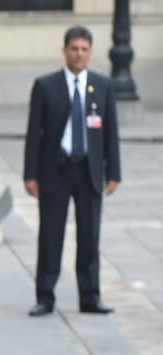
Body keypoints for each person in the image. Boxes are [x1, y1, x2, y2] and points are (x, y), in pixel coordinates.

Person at [24, 25, 121, 317]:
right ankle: (45, 296)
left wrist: (113, 172)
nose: (79, 54)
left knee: (90, 236)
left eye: (84, 49)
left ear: (90, 53)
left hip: (89, 170)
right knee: (50, 234)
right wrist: (30, 174)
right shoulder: (45, 85)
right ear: (65, 50)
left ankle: (90, 296)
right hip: (55, 170)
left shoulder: (103, 87)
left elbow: (110, 134)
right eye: (74, 48)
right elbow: (34, 134)